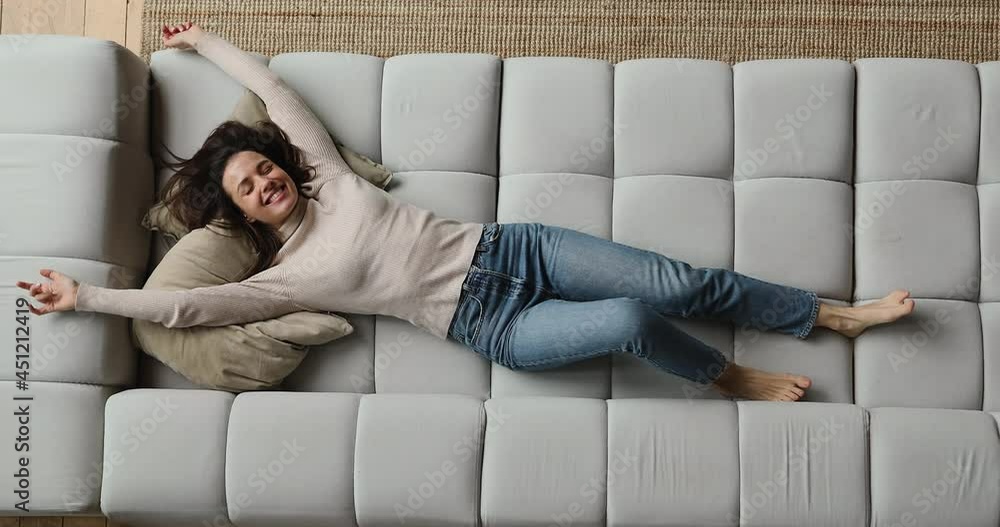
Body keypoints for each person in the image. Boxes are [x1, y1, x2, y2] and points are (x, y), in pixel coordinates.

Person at [15, 23, 915, 402]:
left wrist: (205, 40)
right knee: (634, 319)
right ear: (244, 217)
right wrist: (86, 298)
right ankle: (731, 378)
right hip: (492, 323)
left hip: (519, 249)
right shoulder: (283, 280)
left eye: (263, 167)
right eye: (248, 188)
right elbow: (185, 307)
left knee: (681, 281)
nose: (264, 183)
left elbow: (277, 94)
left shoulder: (330, 178)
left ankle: (824, 313)